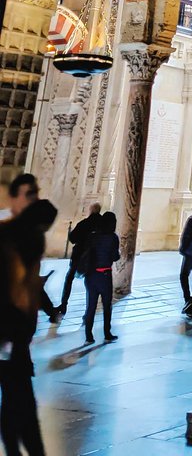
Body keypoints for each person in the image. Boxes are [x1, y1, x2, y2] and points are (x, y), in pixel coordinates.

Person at [0, 194, 57, 456]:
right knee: (20, 396)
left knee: (17, 396)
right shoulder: (17, 241)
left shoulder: (24, 237)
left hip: (15, 336)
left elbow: (30, 286)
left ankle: (16, 445)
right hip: (9, 335)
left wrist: (48, 309)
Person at [1, 175, 59, 324]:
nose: (34, 200)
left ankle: (51, 311)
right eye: (29, 194)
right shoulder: (7, 228)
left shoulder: (33, 234)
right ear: (13, 197)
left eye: (36, 194)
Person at [57, 203, 102, 318]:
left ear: (91, 210)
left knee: (69, 279)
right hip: (95, 257)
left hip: (79, 256)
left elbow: (72, 238)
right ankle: (89, 310)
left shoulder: (84, 223)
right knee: (91, 283)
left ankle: (64, 305)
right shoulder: (102, 224)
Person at [82, 212, 119, 344]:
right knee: (107, 305)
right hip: (105, 275)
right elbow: (115, 257)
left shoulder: (92, 236)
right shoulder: (113, 238)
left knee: (90, 306)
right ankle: (107, 333)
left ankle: (88, 336)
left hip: (90, 275)